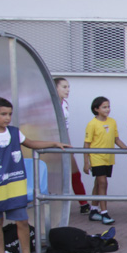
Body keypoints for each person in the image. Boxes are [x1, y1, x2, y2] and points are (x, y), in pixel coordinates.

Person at [0, 97, 69, 253]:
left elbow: (31, 143)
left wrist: (54, 143)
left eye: (10, 114)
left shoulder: (15, 132)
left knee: (22, 222)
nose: (7, 118)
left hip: (15, 186)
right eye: (3, 114)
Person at [83, 96, 127, 225]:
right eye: (104, 107)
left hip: (108, 158)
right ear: (96, 109)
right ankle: (104, 212)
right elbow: (86, 144)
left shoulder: (112, 121)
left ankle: (93, 210)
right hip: (96, 157)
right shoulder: (92, 124)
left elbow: (116, 139)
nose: (107, 109)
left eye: (108, 106)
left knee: (98, 183)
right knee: (103, 183)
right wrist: (86, 162)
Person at [53, 77, 91, 214]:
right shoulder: (51, 104)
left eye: (68, 87)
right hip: (53, 144)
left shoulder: (65, 104)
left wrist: (68, 145)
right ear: (55, 88)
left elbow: (65, 128)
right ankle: (52, 203)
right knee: (53, 176)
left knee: (74, 173)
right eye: (64, 87)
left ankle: (83, 203)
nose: (67, 90)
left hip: (64, 143)